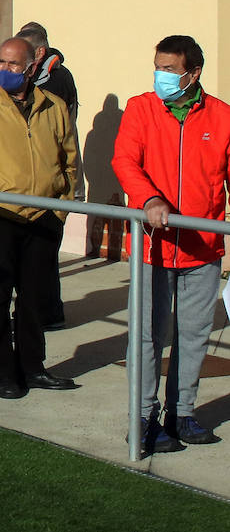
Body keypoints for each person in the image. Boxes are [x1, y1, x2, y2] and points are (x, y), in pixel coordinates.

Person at [112, 34, 229, 455]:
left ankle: (182, 413)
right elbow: (125, 161)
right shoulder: (141, 108)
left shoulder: (222, 116)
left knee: (194, 334)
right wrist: (149, 199)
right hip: (152, 247)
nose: (160, 76)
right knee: (147, 335)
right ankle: (143, 417)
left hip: (203, 248)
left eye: (169, 69)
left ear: (192, 73)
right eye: (157, 67)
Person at [0, 36, 77, 400]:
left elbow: (69, 160)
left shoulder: (54, 106)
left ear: (32, 68)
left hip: (42, 219)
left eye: (13, 64)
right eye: (1, 63)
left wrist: (60, 210)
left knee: (34, 299)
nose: (4, 69)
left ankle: (33, 367)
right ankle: (3, 372)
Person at [17, 21, 78, 330]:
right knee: (35, 256)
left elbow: (49, 134)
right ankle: (42, 311)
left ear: (39, 52)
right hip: (33, 179)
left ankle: (46, 314)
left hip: (48, 180)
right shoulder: (41, 77)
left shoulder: (56, 80)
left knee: (42, 255)